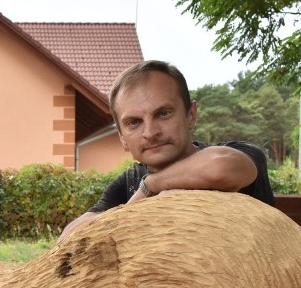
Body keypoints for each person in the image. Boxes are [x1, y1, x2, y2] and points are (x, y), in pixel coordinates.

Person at [60, 60, 274, 241]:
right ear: (122, 138)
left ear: (191, 115)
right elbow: (69, 238)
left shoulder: (240, 154)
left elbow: (219, 167)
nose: (150, 132)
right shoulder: (129, 182)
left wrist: (151, 186)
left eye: (163, 113)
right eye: (134, 122)